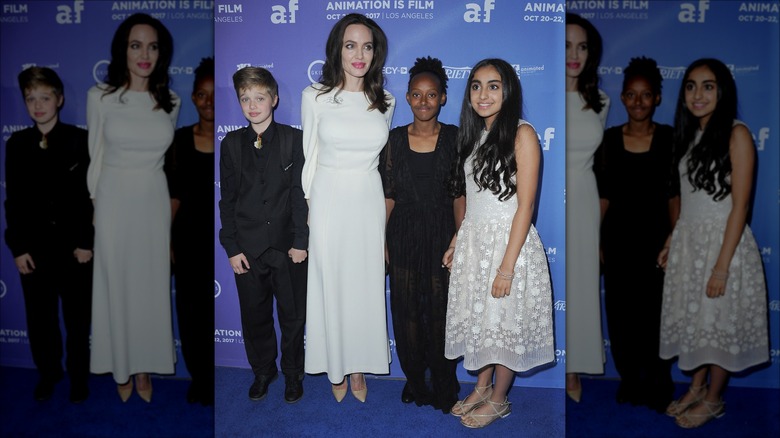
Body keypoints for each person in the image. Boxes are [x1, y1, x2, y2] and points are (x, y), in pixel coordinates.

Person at [442, 58, 555, 428]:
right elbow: (474, 202)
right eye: (476, 85)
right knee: (483, 321)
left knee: (504, 323)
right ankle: (482, 386)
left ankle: (500, 398)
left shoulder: (522, 134)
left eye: (493, 85)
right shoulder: (473, 135)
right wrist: (458, 240)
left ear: (508, 91)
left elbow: (526, 205)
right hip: (476, 244)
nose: (483, 94)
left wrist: (507, 266)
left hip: (510, 246)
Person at [657, 58, 769, 429]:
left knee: (719, 323)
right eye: (691, 86)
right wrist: (673, 239)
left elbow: (741, 206)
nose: (698, 94)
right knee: (697, 320)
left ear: (722, 91)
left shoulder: (737, 134)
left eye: (708, 86)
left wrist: (721, 266)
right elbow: (689, 202)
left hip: (725, 246)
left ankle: (715, 398)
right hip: (691, 243)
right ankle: (697, 386)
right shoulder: (688, 136)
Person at [301, 13, 395, 403]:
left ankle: (358, 366)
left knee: (365, 286)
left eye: (367, 46)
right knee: (330, 285)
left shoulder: (385, 101)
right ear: (337, 50)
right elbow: (310, 157)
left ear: (376, 53)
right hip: (328, 199)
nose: (359, 54)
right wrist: (310, 210)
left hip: (367, 199)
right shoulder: (315, 97)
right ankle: (335, 366)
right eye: (350, 45)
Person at [87, 13, 180, 403]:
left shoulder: (170, 102)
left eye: (153, 46)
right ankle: (121, 366)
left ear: (162, 53)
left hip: (152, 204)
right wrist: (96, 210)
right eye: (136, 45)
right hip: (112, 203)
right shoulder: (101, 98)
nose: (145, 54)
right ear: (123, 50)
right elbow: (96, 158)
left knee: (150, 289)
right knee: (116, 288)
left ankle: (143, 367)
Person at [218, 66, 308, 404]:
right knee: (254, 316)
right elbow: (226, 199)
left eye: (259, 97)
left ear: (274, 98)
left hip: (287, 249)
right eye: (246, 99)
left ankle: (292, 374)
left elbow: (300, 196)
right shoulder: (231, 144)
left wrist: (301, 242)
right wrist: (231, 246)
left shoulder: (292, 140)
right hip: (248, 250)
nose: (253, 105)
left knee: (292, 316)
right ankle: (262, 371)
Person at [4, 67, 93, 403]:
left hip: (74, 251)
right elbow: (13, 200)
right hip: (34, 251)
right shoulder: (17, 144)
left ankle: (78, 378)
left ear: (60, 99)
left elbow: (89, 198)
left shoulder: (79, 140)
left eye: (45, 97)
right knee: (40, 321)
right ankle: (49, 373)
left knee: (77, 321)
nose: (38, 105)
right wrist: (18, 247)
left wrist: (86, 242)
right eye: (31, 98)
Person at [380, 56, 463, 413]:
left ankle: (444, 384)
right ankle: (415, 381)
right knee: (407, 312)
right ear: (408, 97)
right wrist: (380, 240)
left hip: (444, 235)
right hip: (402, 235)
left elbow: (460, 194)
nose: (424, 101)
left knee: (442, 314)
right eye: (417, 94)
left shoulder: (457, 138)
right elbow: (388, 195)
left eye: (432, 95)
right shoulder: (394, 140)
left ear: (443, 97)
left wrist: (460, 238)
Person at [593, 57, 676, 412]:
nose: (638, 102)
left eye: (646, 95)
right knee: (622, 314)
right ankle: (629, 379)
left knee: (657, 313)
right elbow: (603, 197)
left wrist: (675, 239)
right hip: (618, 242)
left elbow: (675, 195)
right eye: (631, 94)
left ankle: (658, 381)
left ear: (657, 98)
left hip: (659, 243)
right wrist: (595, 242)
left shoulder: (672, 139)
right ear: (623, 98)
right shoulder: (608, 141)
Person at [564, 12, 609, 402]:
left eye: (582, 46)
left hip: (583, 198)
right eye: (566, 45)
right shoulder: (541, 93)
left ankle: (574, 367)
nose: (574, 54)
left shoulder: (601, 101)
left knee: (580, 285)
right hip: (544, 197)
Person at [165, 57, 215, 405]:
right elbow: (171, 198)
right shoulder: (179, 141)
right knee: (191, 312)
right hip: (187, 241)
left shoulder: (237, 137)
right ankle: (199, 377)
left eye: (214, 94)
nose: (208, 101)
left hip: (226, 239)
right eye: (201, 94)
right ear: (193, 98)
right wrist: (166, 242)